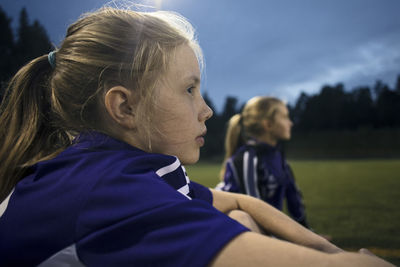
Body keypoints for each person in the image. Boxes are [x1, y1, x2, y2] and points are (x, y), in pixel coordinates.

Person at [0, 6, 394, 267]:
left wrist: (328, 249)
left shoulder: (115, 166)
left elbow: (240, 201)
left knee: (238, 216)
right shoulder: (107, 188)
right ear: (124, 108)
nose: (206, 110)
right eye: (189, 89)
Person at [217, 96, 311, 228]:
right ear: (268, 125)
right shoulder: (246, 158)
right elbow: (254, 207)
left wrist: (308, 233)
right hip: (227, 222)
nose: (291, 123)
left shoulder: (278, 157)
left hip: (258, 225)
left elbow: (293, 197)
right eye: (285, 117)